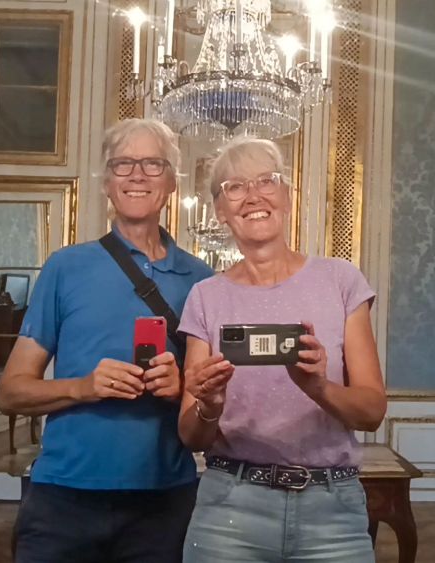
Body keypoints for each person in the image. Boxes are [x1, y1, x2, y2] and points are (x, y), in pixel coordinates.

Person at [0, 118, 213, 563]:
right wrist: (82, 387)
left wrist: (180, 392)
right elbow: (10, 393)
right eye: (123, 164)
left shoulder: (203, 281)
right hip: (62, 497)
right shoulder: (65, 268)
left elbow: (213, 407)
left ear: (172, 182)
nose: (137, 174)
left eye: (153, 164)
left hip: (165, 500)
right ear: (106, 183)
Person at [176, 137, 387, 563]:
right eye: (234, 187)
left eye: (266, 181)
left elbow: (371, 411)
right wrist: (210, 405)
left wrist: (318, 387)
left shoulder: (341, 281)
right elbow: (190, 435)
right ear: (220, 210)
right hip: (229, 512)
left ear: (287, 197)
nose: (253, 196)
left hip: (333, 512)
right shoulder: (205, 297)